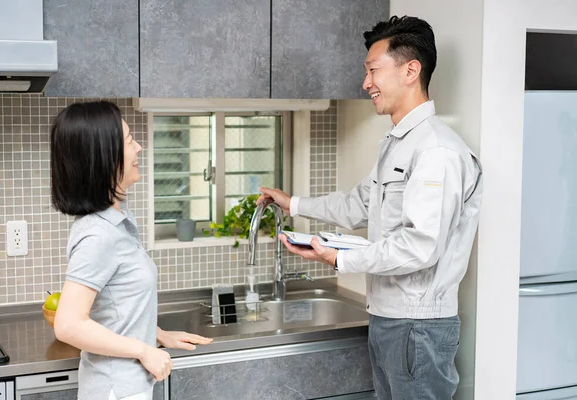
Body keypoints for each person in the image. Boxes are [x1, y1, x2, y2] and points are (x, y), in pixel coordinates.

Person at [258, 15, 483, 399]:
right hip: (389, 320)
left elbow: (420, 247)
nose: (366, 84)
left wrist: (339, 260)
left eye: (373, 70)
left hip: (418, 328)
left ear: (411, 70)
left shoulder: (437, 151)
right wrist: (292, 202)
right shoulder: (397, 144)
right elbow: (358, 204)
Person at [50, 101, 212, 400]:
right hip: (115, 390)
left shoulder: (116, 221)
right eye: (129, 141)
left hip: (127, 386)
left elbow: (116, 307)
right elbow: (68, 324)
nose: (139, 148)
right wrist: (143, 350)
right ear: (105, 157)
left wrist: (157, 334)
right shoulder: (99, 233)